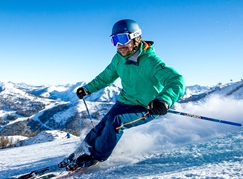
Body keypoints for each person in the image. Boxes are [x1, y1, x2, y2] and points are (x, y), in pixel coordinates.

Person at [61, 19, 185, 170]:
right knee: (104, 123)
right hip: (125, 101)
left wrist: (164, 100)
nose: (119, 45)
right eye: (114, 40)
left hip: (146, 106)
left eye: (123, 38)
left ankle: (95, 156)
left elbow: (176, 80)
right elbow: (106, 77)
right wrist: (88, 89)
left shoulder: (151, 61)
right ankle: (82, 150)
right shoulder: (118, 59)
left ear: (136, 38)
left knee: (115, 121)